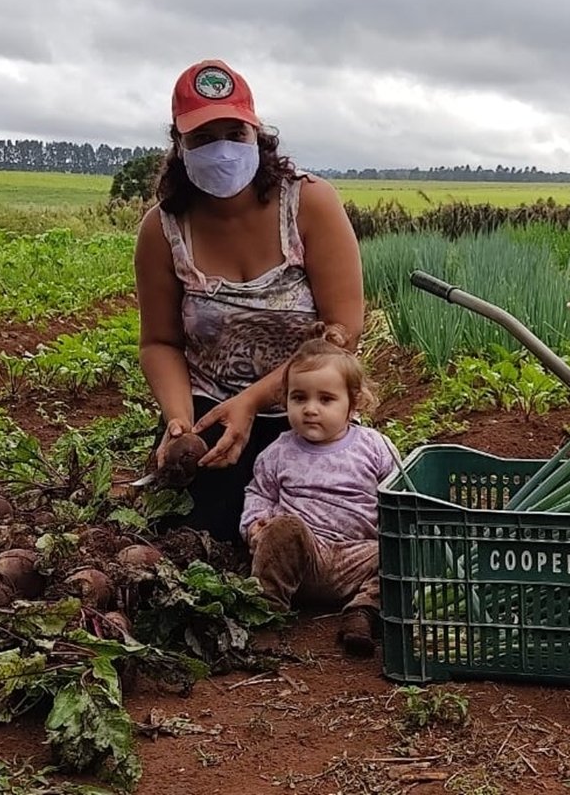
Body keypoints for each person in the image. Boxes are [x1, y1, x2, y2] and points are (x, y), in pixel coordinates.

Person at [134, 59, 364, 545]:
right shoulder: (163, 229)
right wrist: (179, 423)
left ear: (257, 134)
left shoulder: (310, 203)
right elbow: (159, 341)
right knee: (195, 538)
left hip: (305, 403)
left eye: (234, 133)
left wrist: (255, 401)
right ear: (179, 145)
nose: (221, 149)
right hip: (210, 413)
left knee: (327, 526)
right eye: (202, 138)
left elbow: (343, 330)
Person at [240, 330, 399, 657]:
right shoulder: (277, 453)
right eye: (299, 398)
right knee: (285, 528)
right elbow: (259, 493)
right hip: (304, 562)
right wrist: (255, 524)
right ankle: (267, 614)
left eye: (325, 399)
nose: (310, 409)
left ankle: (362, 612)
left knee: (398, 552)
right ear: (286, 400)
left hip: (357, 557)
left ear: (352, 404)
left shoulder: (374, 447)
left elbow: (397, 496)